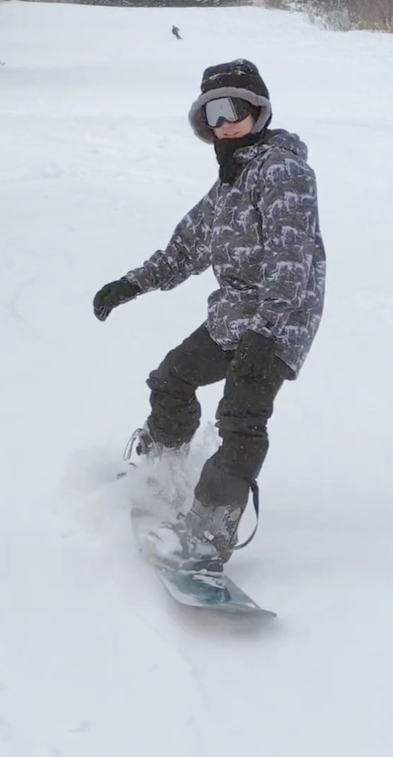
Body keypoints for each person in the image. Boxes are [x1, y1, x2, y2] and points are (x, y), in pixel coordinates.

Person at [93, 59, 326, 568]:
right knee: (171, 380)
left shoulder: (283, 169)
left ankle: (207, 535)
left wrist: (267, 334)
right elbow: (185, 249)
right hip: (234, 316)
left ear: (258, 110)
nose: (225, 122)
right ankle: (163, 470)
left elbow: (293, 258)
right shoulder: (230, 179)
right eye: (213, 112)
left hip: (278, 322)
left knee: (241, 420)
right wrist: (131, 283)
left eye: (235, 108)